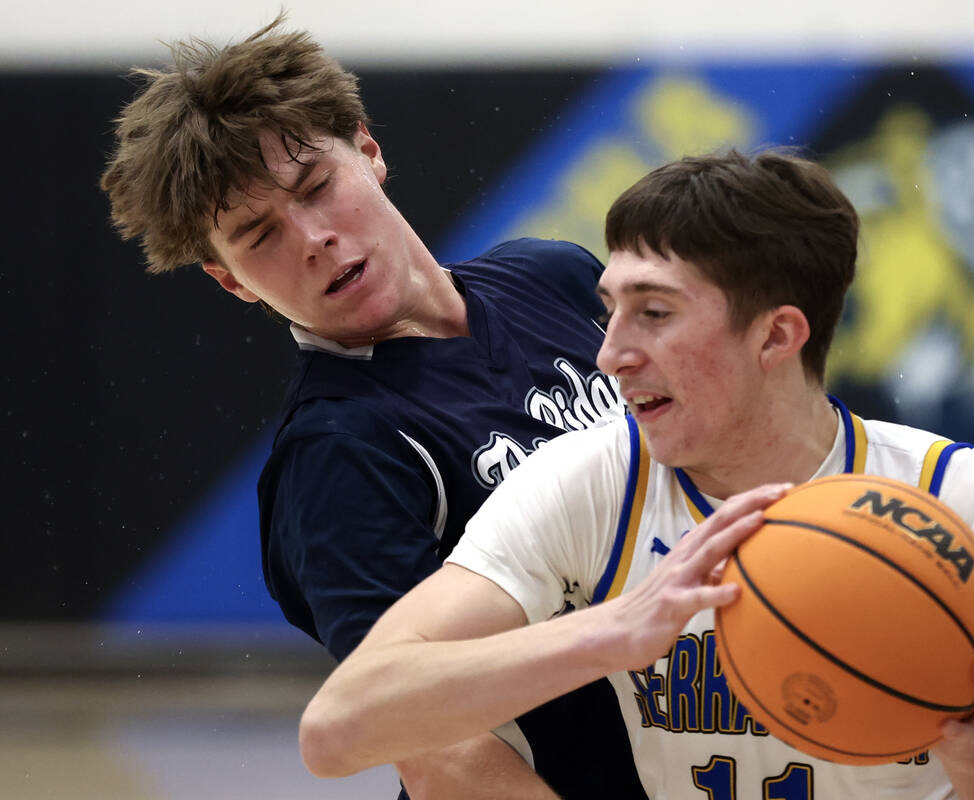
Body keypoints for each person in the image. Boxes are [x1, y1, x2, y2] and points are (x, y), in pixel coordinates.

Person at [299, 150, 974, 799]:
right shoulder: (586, 485)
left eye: (655, 312)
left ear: (777, 334)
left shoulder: (970, 502)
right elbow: (338, 729)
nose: (610, 352)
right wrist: (608, 632)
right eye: (609, 308)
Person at [99, 15, 648, 800]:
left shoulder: (553, 278)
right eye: (258, 236)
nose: (313, 237)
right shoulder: (338, 451)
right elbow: (429, 746)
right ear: (231, 282)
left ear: (368, 148)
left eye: (316, 186)